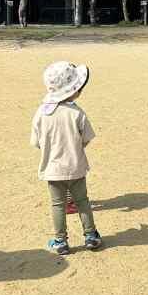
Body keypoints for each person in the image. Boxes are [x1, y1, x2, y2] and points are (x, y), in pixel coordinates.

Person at [31, 62, 102, 255]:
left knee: (58, 204)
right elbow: (86, 138)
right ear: (72, 90)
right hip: (76, 167)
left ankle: (60, 240)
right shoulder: (77, 113)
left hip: (53, 170)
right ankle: (91, 236)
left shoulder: (41, 113)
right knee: (82, 201)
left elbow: (36, 141)